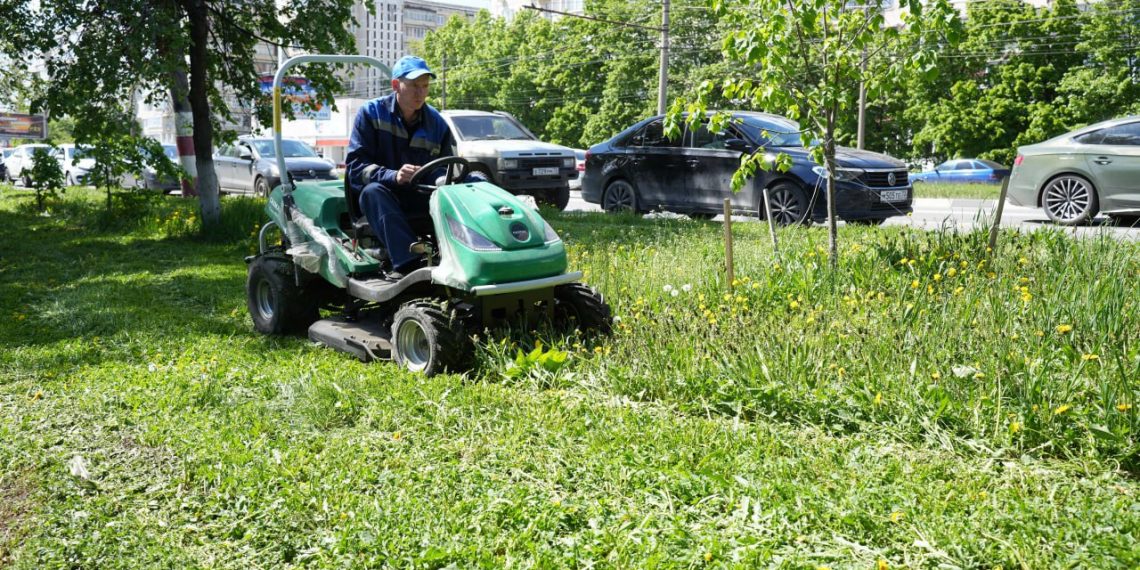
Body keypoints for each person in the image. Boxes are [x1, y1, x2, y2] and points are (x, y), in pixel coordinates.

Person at [346, 55, 459, 279]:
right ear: (396, 85)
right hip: (382, 197)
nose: (421, 93)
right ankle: (409, 266)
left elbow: (449, 167)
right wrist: (393, 176)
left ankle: (485, 251)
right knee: (373, 192)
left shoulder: (437, 123)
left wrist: (441, 179)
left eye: (425, 86)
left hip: (421, 195)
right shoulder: (371, 114)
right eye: (414, 86)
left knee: (475, 180)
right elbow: (356, 168)